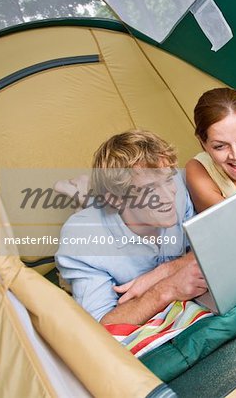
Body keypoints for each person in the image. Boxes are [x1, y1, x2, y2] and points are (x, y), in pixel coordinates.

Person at [55, 129, 207, 326]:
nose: (169, 196)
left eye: (167, 179)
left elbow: (208, 242)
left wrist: (163, 272)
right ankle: (81, 194)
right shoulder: (81, 242)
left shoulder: (177, 182)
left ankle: (86, 192)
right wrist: (168, 288)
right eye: (150, 189)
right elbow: (101, 327)